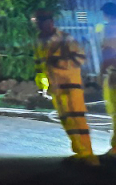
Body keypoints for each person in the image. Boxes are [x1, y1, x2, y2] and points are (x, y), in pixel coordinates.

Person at [34, 9, 98, 166]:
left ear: (50, 22)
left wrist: (60, 63)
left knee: (77, 118)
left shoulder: (65, 38)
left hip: (71, 86)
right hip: (56, 87)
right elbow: (39, 65)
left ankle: (89, 155)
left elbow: (80, 57)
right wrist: (43, 85)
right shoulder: (39, 40)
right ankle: (79, 152)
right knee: (66, 119)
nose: (43, 26)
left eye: (45, 22)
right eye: (40, 23)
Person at [100, 2, 116, 162]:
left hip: (114, 74)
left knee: (115, 111)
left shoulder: (111, 27)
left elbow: (109, 51)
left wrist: (102, 72)